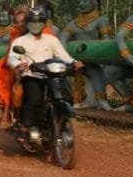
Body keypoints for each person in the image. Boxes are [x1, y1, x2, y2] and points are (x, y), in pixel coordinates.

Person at [7, 7, 82, 141]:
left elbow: (63, 55)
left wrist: (74, 62)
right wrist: (19, 64)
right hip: (32, 76)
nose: (36, 26)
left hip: (52, 76)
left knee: (67, 96)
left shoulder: (51, 39)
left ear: (44, 24)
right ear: (28, 24)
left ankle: (61, 123)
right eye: (32, 22)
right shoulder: (20, 41)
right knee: (35, 98)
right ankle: (26, 126)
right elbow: (11, 58)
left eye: (39, 22)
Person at [0, 4, 28, 129]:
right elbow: (11, 53)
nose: (20, 24)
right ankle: (6, 114)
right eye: (17, 22)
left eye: (24, 21)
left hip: (34, 64)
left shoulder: (41, 31)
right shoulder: (14, 35)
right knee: (2, 77)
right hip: (14, 63)